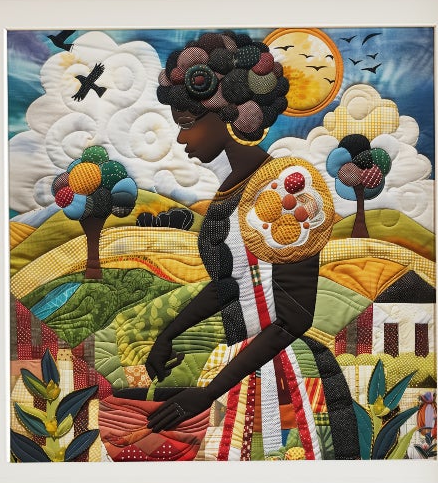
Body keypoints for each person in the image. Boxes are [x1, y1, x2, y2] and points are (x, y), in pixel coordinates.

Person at [137, 32, 361, 459]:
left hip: (286, 370)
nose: (182, 142)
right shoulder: (231, 193)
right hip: (242, 364)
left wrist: (207, 393)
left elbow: (292, 319)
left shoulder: (290, 188)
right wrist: (168, 334)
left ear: (225, 118)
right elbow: (232, 284)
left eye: (186, 125)